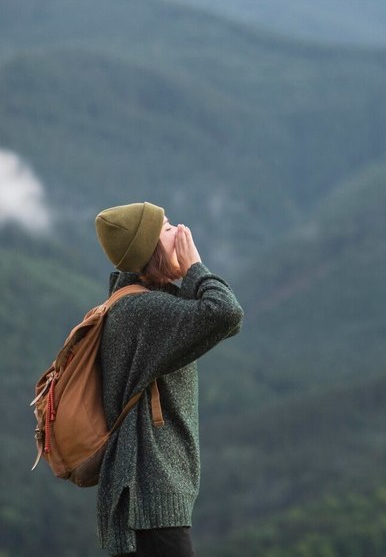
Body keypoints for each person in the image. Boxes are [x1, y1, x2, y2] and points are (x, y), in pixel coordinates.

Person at [94, 202, 244, 557]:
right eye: (165, 228)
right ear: (147, 250)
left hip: (143, 499)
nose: (179, 231)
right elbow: (225, 313)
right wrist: (194, 266)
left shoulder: (134, 304)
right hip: (149, 497)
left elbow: (205, 316)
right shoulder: (143, 311)